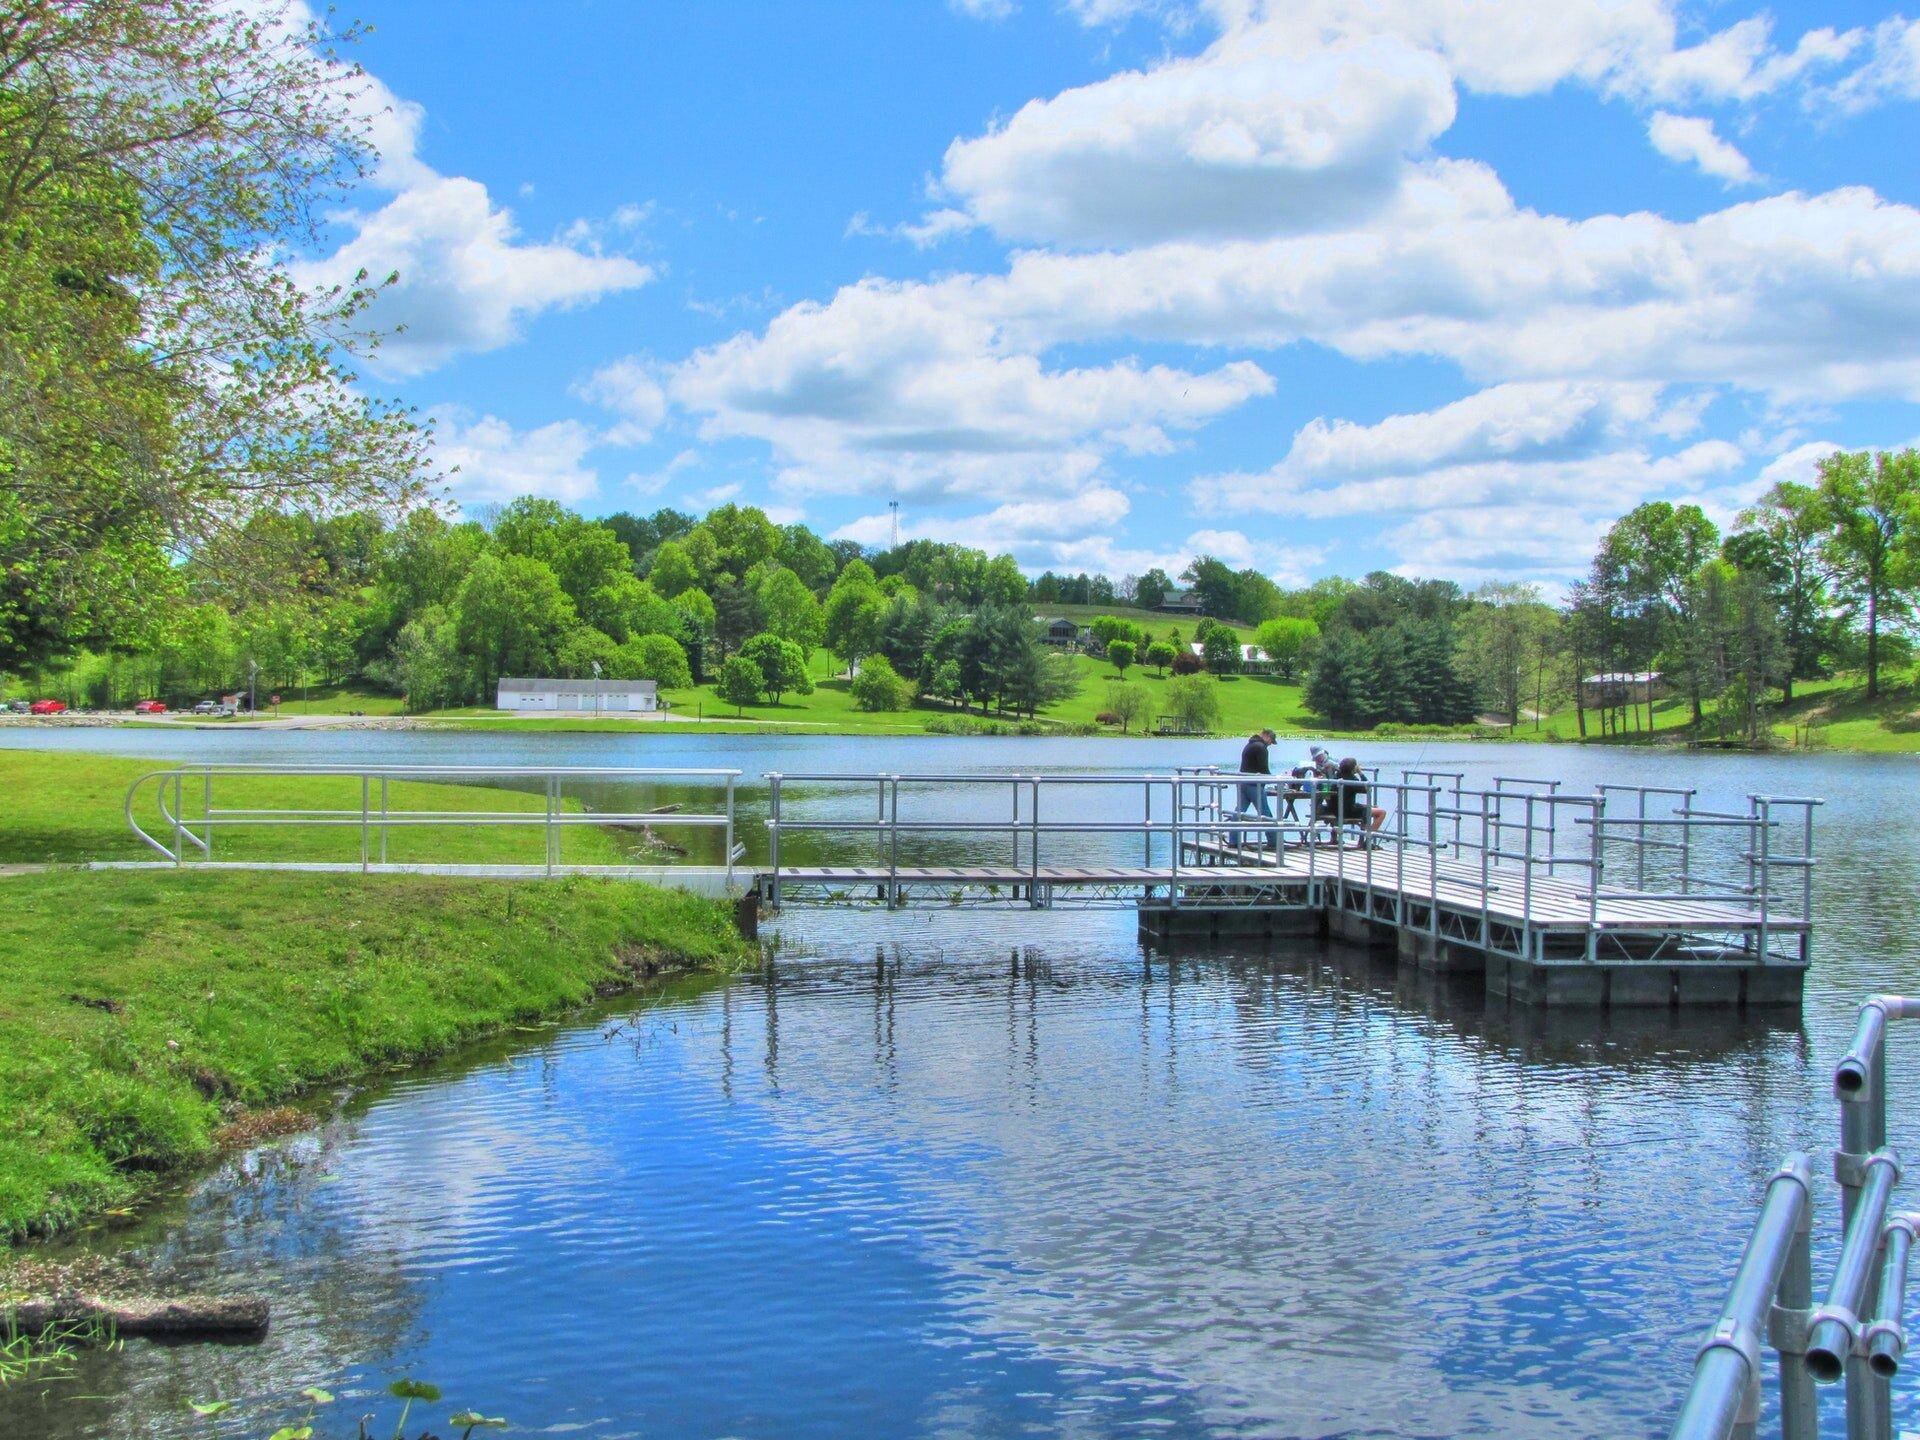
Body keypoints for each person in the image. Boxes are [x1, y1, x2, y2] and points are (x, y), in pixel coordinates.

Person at [1234, 728, 1277, 849]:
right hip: (1254, 784)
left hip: (1243, 782)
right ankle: (1274, 841)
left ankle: (1233, 840)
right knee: (1265, 813)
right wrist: (1274, 778)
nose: (1270, 744)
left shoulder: (1250, 744)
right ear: (1267, 736)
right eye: (1271, 741)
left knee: (1239, 812)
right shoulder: (1261, 747)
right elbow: (1263, 767)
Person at [1334, 756, 1388, 844]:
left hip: (1335, 810)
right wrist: (1360, 773)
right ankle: (1367, 840)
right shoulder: (1352, 780)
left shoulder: (1336, 776)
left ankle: (1361, 838)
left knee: (1367, 807)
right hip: (1348, 812)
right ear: (1353, 768)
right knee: (1381, 812)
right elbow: (1367, 789)